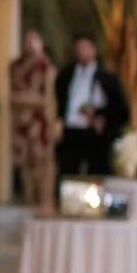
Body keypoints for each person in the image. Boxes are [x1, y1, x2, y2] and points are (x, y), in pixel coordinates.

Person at [55, 33, 128, 177]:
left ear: (93, 49)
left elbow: (120, 110)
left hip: (94, 133)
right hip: (71, 132)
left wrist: (98, 113)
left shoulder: (107, 78)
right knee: (68, 173)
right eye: (78, 48)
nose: (81, 51)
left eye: (85, 47)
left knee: (96, 174)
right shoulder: (66, 76)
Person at [9, 29, 57, 210]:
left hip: (39, 121)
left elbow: (46, 99)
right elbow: (11, 96)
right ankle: (28, 198)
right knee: (24, 162)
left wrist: (26, 99)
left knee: (40, 160)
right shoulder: (15, 66)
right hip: (20, 121)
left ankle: (43, 198)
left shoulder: (45, 67)